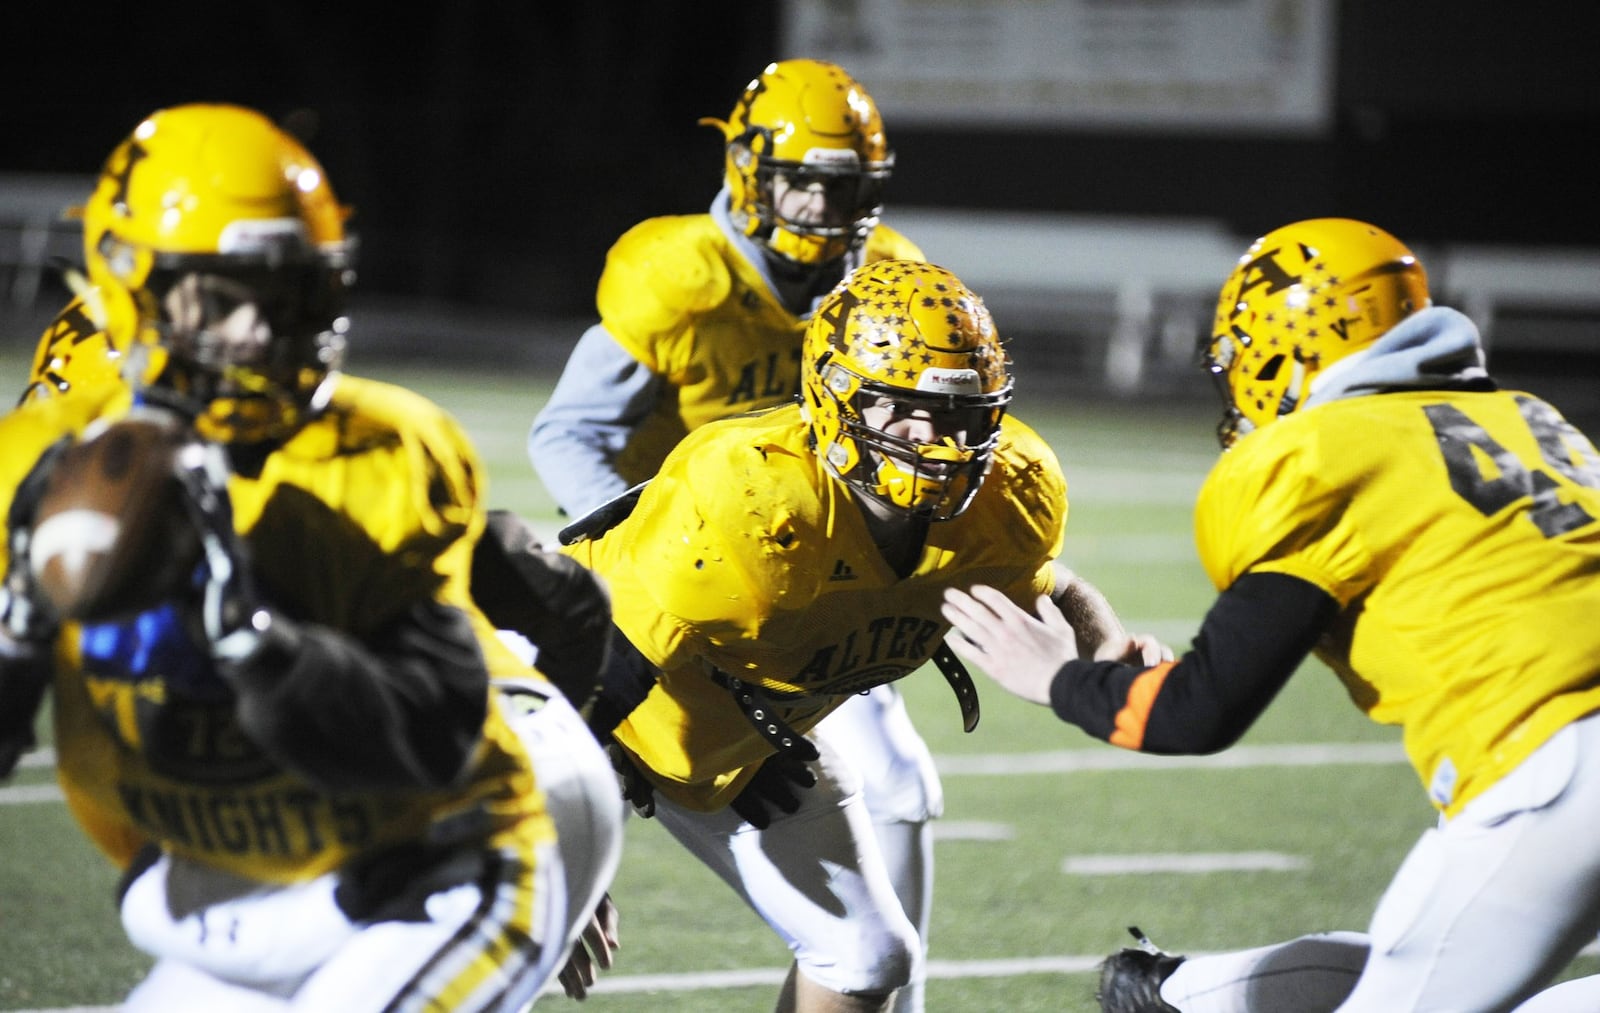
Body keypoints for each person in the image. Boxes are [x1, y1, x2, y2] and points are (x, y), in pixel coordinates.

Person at [0, 103, 624, 1010]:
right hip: (239, 882)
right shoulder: (38, 470)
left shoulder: (375, 453)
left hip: (439, 862)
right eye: (219, 299)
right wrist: (20, 625)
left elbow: (435, 729)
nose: (256, 333)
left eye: (284, 296)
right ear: (135, 295)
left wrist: (251, 636)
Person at [938, 218, 1600, 1013]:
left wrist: (1063, 679)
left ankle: (1175, 999)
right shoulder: (1532, 420)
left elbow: (1201, 713)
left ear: (1287, 345)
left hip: (1552, 768)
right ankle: (1184, 995)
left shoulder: (1317, 452)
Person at [562, 258, 1162, 1012]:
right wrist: (562, 861)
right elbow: (580, 682)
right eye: (908, 408)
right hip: (563, 700)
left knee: (871, 955)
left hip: (737, 730)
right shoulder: (752, 503)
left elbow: (1057, 586)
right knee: (510, 933)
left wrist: (1106, 655)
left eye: (965, 414)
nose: (940, 438)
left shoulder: (1007, 495)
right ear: (837, 398)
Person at [527, 57, 944, 1011]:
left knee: (904, 784)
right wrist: (650, 547)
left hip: (824, 574)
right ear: (752, 171)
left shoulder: (888, 285)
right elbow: (567, 432)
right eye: (804, 180)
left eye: (848, 190)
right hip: (688, 582)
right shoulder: (683, 277)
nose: (822, 209)